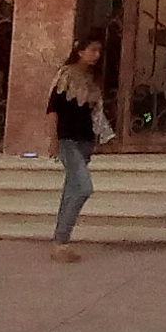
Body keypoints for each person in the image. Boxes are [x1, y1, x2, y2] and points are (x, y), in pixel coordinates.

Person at [45, 36, 108, 263]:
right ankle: (61, 239)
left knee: (71, 190)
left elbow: (93, 113)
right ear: (80, 51)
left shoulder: (92, 80)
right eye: (92, 50)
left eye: (98, 50)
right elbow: (53, 110)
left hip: (84, 141)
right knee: (83, 187)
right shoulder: (67, 76)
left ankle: (60, 242)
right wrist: (53, 140)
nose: (96, 55)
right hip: (67, 140)